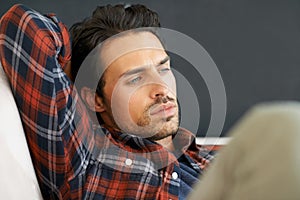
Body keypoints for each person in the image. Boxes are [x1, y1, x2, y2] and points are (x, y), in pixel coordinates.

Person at [0, 4, 213, 199]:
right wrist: (72, 76)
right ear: (95, 99)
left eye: (163, 69)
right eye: (136, 79)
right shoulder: (85, 163)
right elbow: (23, 27)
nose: (161, 88)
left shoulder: (210, 158)